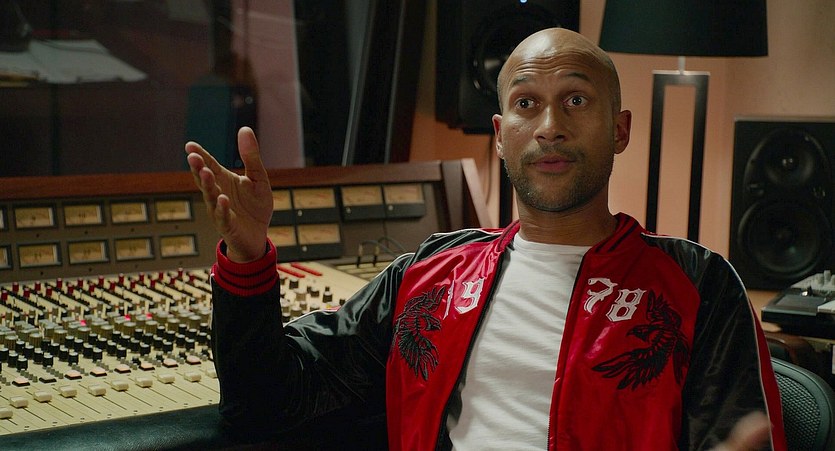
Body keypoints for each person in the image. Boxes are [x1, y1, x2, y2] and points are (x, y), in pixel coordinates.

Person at [185, 28, 786, 450]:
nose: (549, 127)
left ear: (619, 130)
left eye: (576, 100)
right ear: (501, 134)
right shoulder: (428, 274)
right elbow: (265, 404)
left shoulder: (698, 284)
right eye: (527, 104)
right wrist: (248, 257)